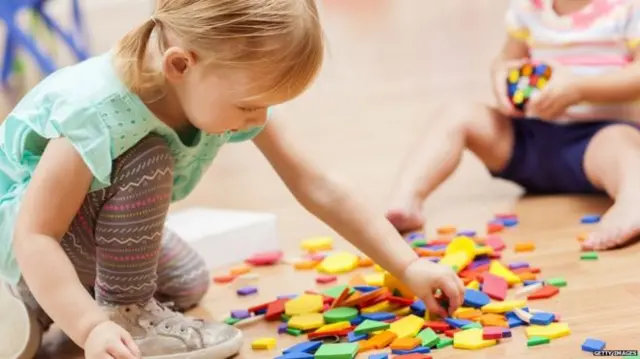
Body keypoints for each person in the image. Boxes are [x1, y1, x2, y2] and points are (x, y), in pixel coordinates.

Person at [0, 1, 465, 358]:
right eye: (248, 105)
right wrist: (91, 328)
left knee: (187, 283)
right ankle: (95, 307)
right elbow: (36, 234)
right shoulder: (97, 111)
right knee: (148, 158)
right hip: (29, 236)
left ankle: (44, 303)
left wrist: (407, 266)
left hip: (79, 234)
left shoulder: (219, 88)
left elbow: (316, 184)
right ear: (181, 65)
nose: (256, 119)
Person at [386, 0, 640, 251]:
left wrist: (580, 89)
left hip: (596, 142)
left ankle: (633, 201)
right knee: (458, 113)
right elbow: (506, 60)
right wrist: (502, 78)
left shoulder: (627, 9)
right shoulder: (529, 8)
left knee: (622, 144)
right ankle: (407, 199)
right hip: (530, 141)